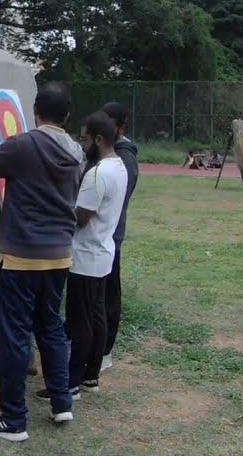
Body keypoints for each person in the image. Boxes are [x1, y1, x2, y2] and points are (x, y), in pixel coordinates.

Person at [0, 83, 84, 443]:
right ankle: (61, 400)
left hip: (21, 256)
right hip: (59, 255)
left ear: (35, 110)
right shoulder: (76, 150)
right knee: (50, 326)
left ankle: (14, 420)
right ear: (67, 116)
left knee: (14, 335)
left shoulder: (24, 144)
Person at [39, 111, 127, 404]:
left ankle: (71, 383)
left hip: (87, 256)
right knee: (96, 316)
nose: (81, 142)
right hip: (101, 254)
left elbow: (82, 218)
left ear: (99, 139)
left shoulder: (98, 173)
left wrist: (54, 206)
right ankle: (90, 376)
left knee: (80, 321)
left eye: (85, 138)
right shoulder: (119, 166)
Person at [98, 102, 138, 372]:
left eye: (109, 121)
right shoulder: (105, 152)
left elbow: (117, 196)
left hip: (110, 235)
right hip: (98, 235)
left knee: (108, 296)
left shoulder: (124, 158)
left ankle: (104, 352)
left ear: (121, 126)